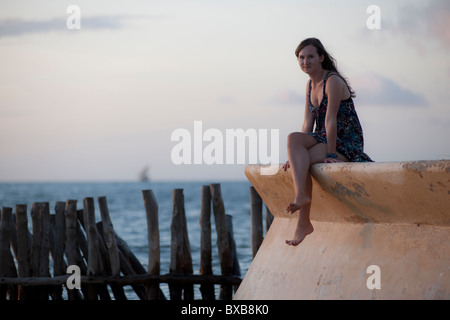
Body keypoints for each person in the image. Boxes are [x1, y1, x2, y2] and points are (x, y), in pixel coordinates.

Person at [283, 38, 373, 246]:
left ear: (321, 57)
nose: (305, 61)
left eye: (310, 56)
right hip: (323, 137)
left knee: (304, 162)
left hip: (344, 140)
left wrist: (331, 154)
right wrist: (293, 155)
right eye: (301, 58)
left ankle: (303, 221)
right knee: (293, 139)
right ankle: (302, 206)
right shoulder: (309, 85)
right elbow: (308, 123)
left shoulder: (332, 81)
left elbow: (330, 120)